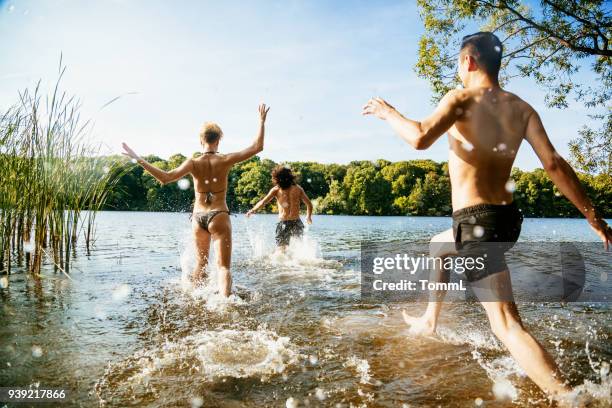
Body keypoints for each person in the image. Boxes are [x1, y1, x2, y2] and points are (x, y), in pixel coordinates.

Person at [362, 31, 611, 398]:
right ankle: (430, 321)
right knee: (438, 246)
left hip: (476, 223)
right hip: (507, 222)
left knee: (507, 325)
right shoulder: (522, 108)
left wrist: (388, 113)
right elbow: (555, 164)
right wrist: (593, 217)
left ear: (469, 61)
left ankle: (569, 399)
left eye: (459, 65)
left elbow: (419, 138)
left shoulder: (460, 99)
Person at [121, 103, 270, 297]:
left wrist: (138, 158)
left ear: (201, 140)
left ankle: (195, 299)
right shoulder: (225, 160)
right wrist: (261, 121)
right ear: (219, 140)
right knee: (223, 268)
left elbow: (165, 178)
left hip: (198, 217)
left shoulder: (192, 162)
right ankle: (225, 306)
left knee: (201, 263)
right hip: (219, 216)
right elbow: (258, 147)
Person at [246, 165, 313, 251]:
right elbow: (309, 204)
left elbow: (263, 202)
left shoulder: (276, 190)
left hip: (284, 223)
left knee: (281, 250)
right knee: (297, 249)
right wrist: (308, 216)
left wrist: (252, 210)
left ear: (278, 179)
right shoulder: (298, 188)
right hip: (297, 223)